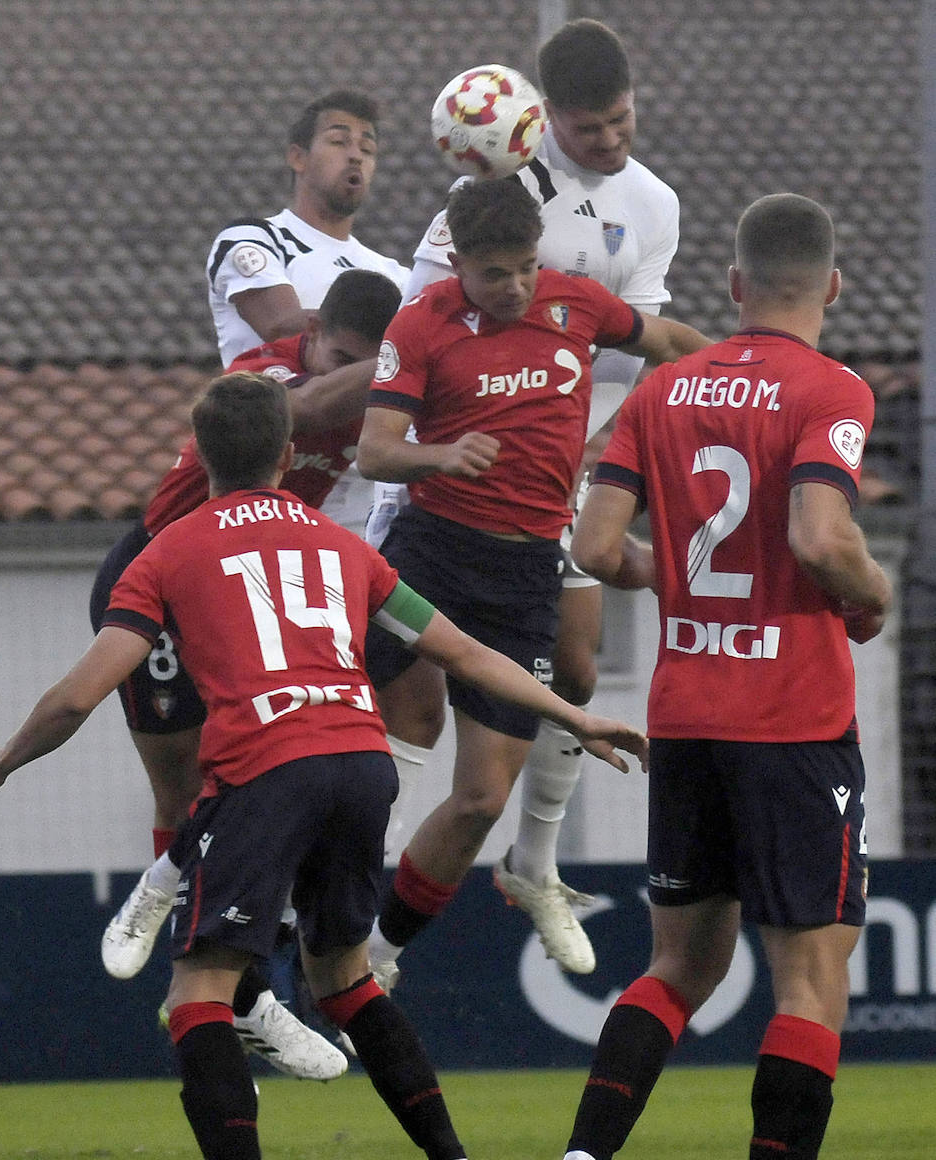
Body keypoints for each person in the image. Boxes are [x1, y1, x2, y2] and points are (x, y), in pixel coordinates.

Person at [0, 371, 647, 1160]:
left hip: (268, 772)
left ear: (197, 455)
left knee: (198, 994)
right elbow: (461, 650)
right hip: (360, 763)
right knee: (345, 979)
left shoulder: (169, 551)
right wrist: (574, 714)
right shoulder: (345, 547)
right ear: (288, 454)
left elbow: (81, 694)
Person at [559, 194, 890, 1160]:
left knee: (676, 967)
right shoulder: (832, 390)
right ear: (830, 285)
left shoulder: (662, 392)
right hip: (793, 725)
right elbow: (820, 539)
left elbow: (592, 545)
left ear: (736, 286)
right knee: (810, 982)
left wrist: (686, 580)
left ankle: (584, 1155)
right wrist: (869, 592)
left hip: (690, 718)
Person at [375, 17, 681, 975]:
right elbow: (426, 328)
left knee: (578, 677)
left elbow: (651, 338)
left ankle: (535, 863)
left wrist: (611, 437)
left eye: (622, 122)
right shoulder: (491, 196)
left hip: (580, 468)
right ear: (546, 123)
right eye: (591, 131)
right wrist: (434, 448)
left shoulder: (652, 202)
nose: (611, 142)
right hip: (457, 489)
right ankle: (339, 888)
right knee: (412, 711)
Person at [91, 269, 401, 1080]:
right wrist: (411, 348)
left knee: (272, 776)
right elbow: (304, 408)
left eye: (359, 361)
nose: (340, 372)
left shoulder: (377, 393)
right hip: (160, 577)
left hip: (246, 587)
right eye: (335, 353)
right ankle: (236, 984)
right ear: (315, 331)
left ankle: (234, 980)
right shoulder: (267, 372)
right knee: (192, 788)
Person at [206, 88, 409, 533]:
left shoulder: (395, 275)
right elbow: (280, 325)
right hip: (266, 493)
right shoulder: (255, 240)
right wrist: (408, 342)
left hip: (364, 509)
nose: (355, 156)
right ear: (298, 157)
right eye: (339, 142)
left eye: (367, 148)